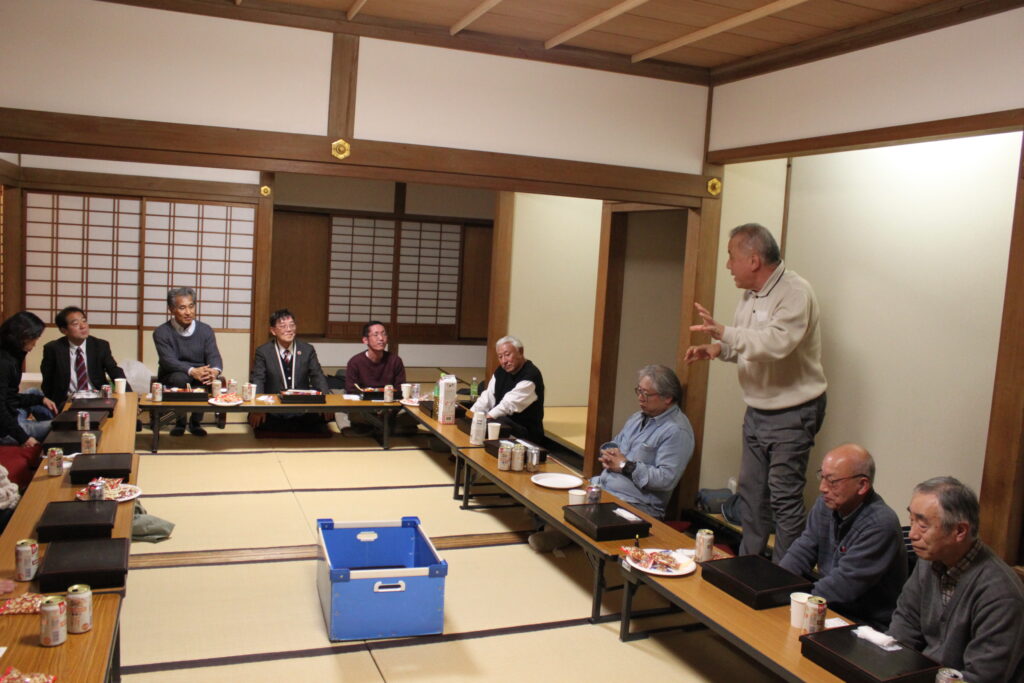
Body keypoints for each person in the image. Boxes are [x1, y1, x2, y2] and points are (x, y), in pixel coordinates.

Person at [684, 223, 827, 560]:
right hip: (758, 409)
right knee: (751, 493)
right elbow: (748, 345)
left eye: (731, 257)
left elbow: (776, 344)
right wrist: (718, 349)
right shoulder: (749, 294)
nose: (727, 266)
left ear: (753, 259)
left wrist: (725, 332)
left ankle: (785, 575)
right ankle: (749, 563)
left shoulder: (795, 292)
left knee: (784, 498)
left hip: (794, 410)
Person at [888, 477, 1024, 682]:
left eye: (923, 525)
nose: (912, 534)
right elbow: (905, 622)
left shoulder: (1001, 593)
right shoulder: (929, 559)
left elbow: (985, 676)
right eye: (911, 520)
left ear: (959, 531)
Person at [778, 444, 906, 629]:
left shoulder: (881, 524)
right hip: (828, 606)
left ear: (862, 485)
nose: (822, 488)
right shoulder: (826, 505)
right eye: (822, 477)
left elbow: (844, 585)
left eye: (832, 481)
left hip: (863, 622)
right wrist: (776, 585)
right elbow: (802, 550)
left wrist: (799, 601)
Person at [592, 365, 694, 519]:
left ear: (668, 397)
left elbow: (666, 479)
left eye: (645, 394)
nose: (640, 397)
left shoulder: (676, 431)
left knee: (580, 521)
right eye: (639, 391)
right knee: (559, 505)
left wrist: (624, 465)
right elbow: (616, 443)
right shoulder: (637, 417)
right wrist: (609, 454)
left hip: (636, 505)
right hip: (603, 487)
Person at [153, 287, 224, 437]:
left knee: (208, 379)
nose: (188, 312)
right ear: (172, 309)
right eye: (182, 307)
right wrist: (192, 371)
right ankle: (180, 421)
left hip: (200, 372)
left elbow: (214, 355)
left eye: (191, 306)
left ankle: (196, 422)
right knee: (181, 378)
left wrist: (214, 371)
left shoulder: (205, 330)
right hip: (173, 373)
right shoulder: (161, 332)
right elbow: (168, 361)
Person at [249, 309, 329, 433]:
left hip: (302, 406)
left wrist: (327, 402)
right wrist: (258, 408)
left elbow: (317, 375)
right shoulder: (263, 352)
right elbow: (258, 379)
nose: (289, 329)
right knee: (259, 422)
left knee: (324, 420)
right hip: (273, 406)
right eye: (283, 326)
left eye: (292, 325)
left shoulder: (307, 349)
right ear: (273, 331)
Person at [40, 306, 130, 407]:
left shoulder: (100, 346)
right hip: (67, 402)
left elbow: (115, 371)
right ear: (64, 330)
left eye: (84, 321)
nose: (83, 326)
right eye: (75, 324)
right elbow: (47, 382)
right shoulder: (53, 349)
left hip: (98, 399)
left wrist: (130, 397)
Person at [470, 335, 545, 443]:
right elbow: (488, 396)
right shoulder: (501, 371)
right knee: (477, 421)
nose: (504, 361)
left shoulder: (530, 376)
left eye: (507, 355)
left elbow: (507, 405)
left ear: (520, 352)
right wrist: (472, 415)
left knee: (494, 421)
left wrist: (484, 420)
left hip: (525, 432)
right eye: (500, 357)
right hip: (503, 425)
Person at [0, 311, 58, 447]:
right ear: (23, 336)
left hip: (10, 412)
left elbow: (10, 397)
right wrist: (24, 438)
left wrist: (40, 399)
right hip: (5, 430)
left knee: (35, 393)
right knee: (58, 427)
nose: (36, 343)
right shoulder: (3, 363)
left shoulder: (14, 353)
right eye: (35, 338)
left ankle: (54, 420)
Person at [344, 321, 406, 394]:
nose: (381, 338)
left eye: (384, 334)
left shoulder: (395, 361)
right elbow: (351, 389)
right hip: (363, 402)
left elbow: (400, 388)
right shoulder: (355, 362)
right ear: (365, 340)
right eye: (376, 335)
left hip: (389, 401)